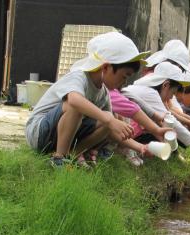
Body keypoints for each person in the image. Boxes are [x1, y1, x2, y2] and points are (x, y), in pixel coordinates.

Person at [25, 32, 149, 168]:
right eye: (124, 76)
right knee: (80, 107)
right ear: (106, 67)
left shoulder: (103, 93)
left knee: (109, 117)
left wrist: (140, 147)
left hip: (59, 137)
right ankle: (59, 159)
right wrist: (110, 120)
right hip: (39, 133)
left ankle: (72, 154)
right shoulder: (79, 76)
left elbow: (112, 128)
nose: (124, 82)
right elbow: (73, 100)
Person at [122, 62, 190, 160]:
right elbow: (171, 120)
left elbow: (170, 117)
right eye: (173, 93)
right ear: (166, 85)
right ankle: (126, 148)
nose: (172, 97)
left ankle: (129, 148)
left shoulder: (152, 91)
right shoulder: (151, 94)